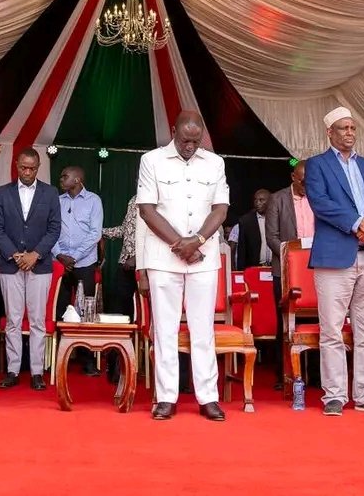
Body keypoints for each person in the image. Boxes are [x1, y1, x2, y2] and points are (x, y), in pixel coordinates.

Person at [136, 111, 229, 421]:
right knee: (165, 329)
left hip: (203, 257)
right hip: (164, 258)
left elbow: (221, 208)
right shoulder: (152, 160)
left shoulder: (215, 163)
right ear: (173, 131)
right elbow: (147, 210)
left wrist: (198, 241)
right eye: (184, 139)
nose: (190, 146)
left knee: (204, 330)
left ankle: (208, 398)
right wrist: (181, 244)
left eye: (195, 140)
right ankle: (166, 397)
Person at [305, 107, 364, 416]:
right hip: (334, 259)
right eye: (343, 128)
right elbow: (321, 203)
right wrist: (358, 223)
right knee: (331, 330)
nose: (350, 133)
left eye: (353, 128)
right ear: (330, 133)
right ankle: (335, 395)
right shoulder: (317, 165)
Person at [0, 148, 61, 390]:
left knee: (38, 321)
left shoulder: (50, 193)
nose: (27, 172)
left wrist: (35, 254)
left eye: (32, 168)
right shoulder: (3, 192)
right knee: (13, 319)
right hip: (10, 265)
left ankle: (37, 372)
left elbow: (54, 229)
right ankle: (12, 370)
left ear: (38, 167)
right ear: (16, 166)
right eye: (23, 167)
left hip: (40, 266)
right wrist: (14, 254)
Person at [265, 160, 314, 390]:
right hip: (284, 270)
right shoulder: (278, 199)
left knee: (315, 320)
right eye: (303, 181)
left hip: (314, 268)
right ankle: (284, 375)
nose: (307, 185)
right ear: (293, 177)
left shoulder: (318, 196)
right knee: (285, 322)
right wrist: (290, 257)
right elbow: (272, 237)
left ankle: (315, 375)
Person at [53, 166, 104, 376]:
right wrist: (59, 255)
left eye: (65, 176)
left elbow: (95, 233)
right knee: (60, 309)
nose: (61, 179)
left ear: (77, 179)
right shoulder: (57, 201)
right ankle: (60, 358)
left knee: (85, 311)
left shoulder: (94, 200)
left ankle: (87, 359)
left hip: (84, 263)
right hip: (61, 263)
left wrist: (75, 256)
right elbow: (51, 230)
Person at [103, 194, 138, 383]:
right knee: (118, 316)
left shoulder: (163, 199)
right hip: (125, 266)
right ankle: (116, 367)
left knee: (144, 318)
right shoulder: (133, 200)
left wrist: (138, 257)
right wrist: (99, 232)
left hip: (148, 268)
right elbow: (125, 229)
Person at [235, 189, 272, 270]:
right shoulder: (246, 221)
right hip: (255, 268)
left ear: (270, 201)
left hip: (275, 267)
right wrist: (241, 271)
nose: (257, 203)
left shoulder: (278, 217)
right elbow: (242, 250)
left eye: (261, 200)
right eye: (255, 200)